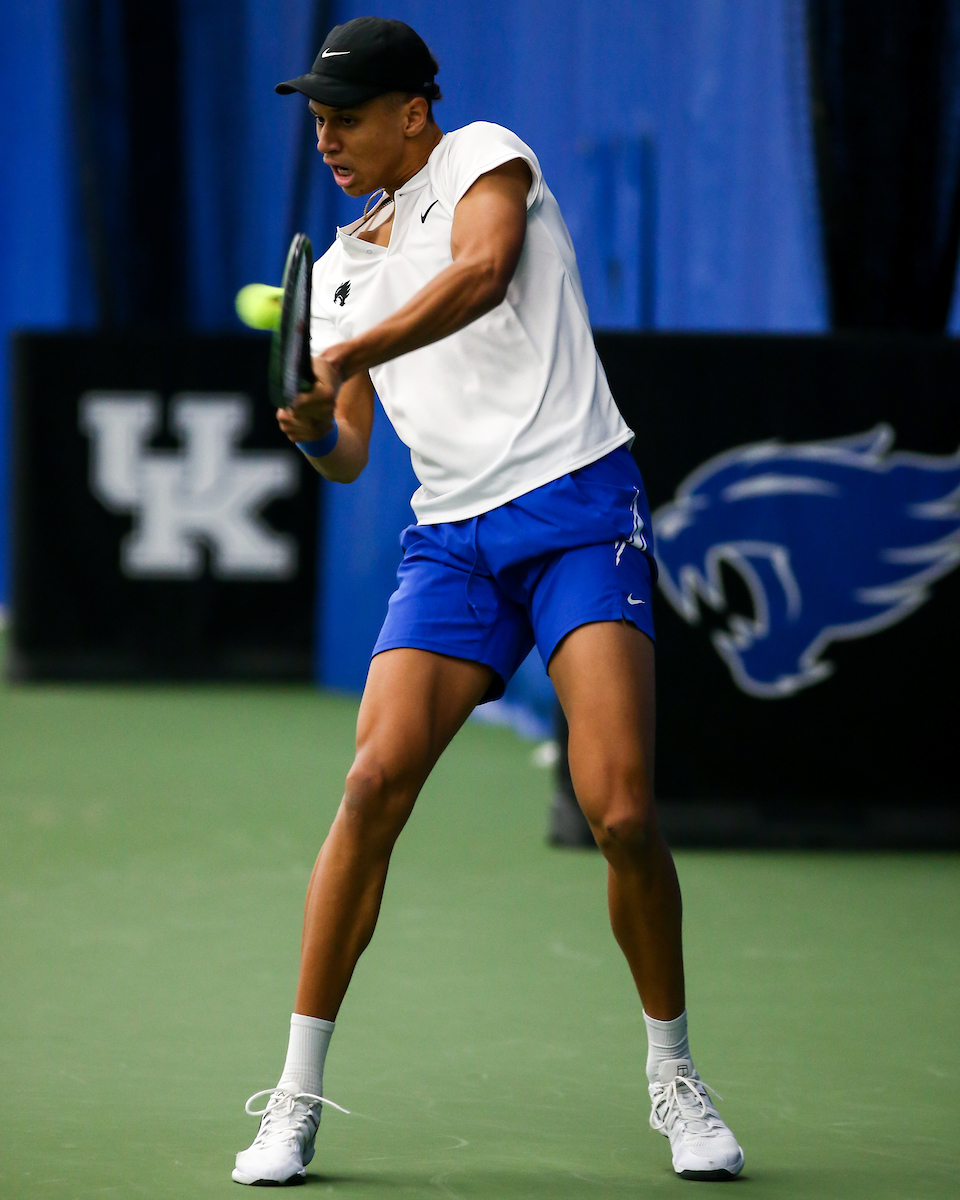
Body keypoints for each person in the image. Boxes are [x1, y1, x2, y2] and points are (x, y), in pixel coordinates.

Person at [233, 15, 744, 1187]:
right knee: (370, 784)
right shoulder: (343, 266)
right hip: (452, 543)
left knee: (617, 807)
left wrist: (348, 355)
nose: (327, 136)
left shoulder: (483, 159)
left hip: (574, 505)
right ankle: (296, 1099)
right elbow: (352, 452)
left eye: (348, 114)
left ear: (416, 109)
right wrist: (316, 427)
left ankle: (675, 1074)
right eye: (316, 117)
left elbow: (481, 274)